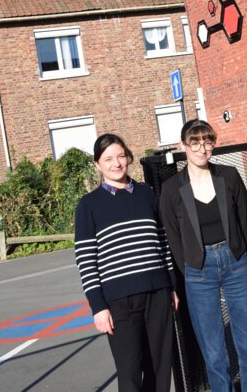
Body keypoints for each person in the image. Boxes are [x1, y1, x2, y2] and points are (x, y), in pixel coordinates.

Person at [159, 119, 247, 392]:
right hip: (198, 270)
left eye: (207, 141)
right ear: (184, 146)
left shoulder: (229, 176)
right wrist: (191, 267)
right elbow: (172, 234)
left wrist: (239, 252)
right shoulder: (172, 188)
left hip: (236, 265)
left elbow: (245, 219)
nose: (202, 148)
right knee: (214, 349)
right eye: (195, 142)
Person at [74, 133, 177, 392]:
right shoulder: (88, 205)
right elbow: (86, 260)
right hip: (119, 303)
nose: (116, 163)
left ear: (128, 158)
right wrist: (98, 307)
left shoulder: (147, 193)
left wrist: (172, 286)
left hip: (158, 294)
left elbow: (164, 243)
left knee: (160, 369)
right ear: (98, 164)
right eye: (108, 159)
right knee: (130, 372)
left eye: (121, 156)